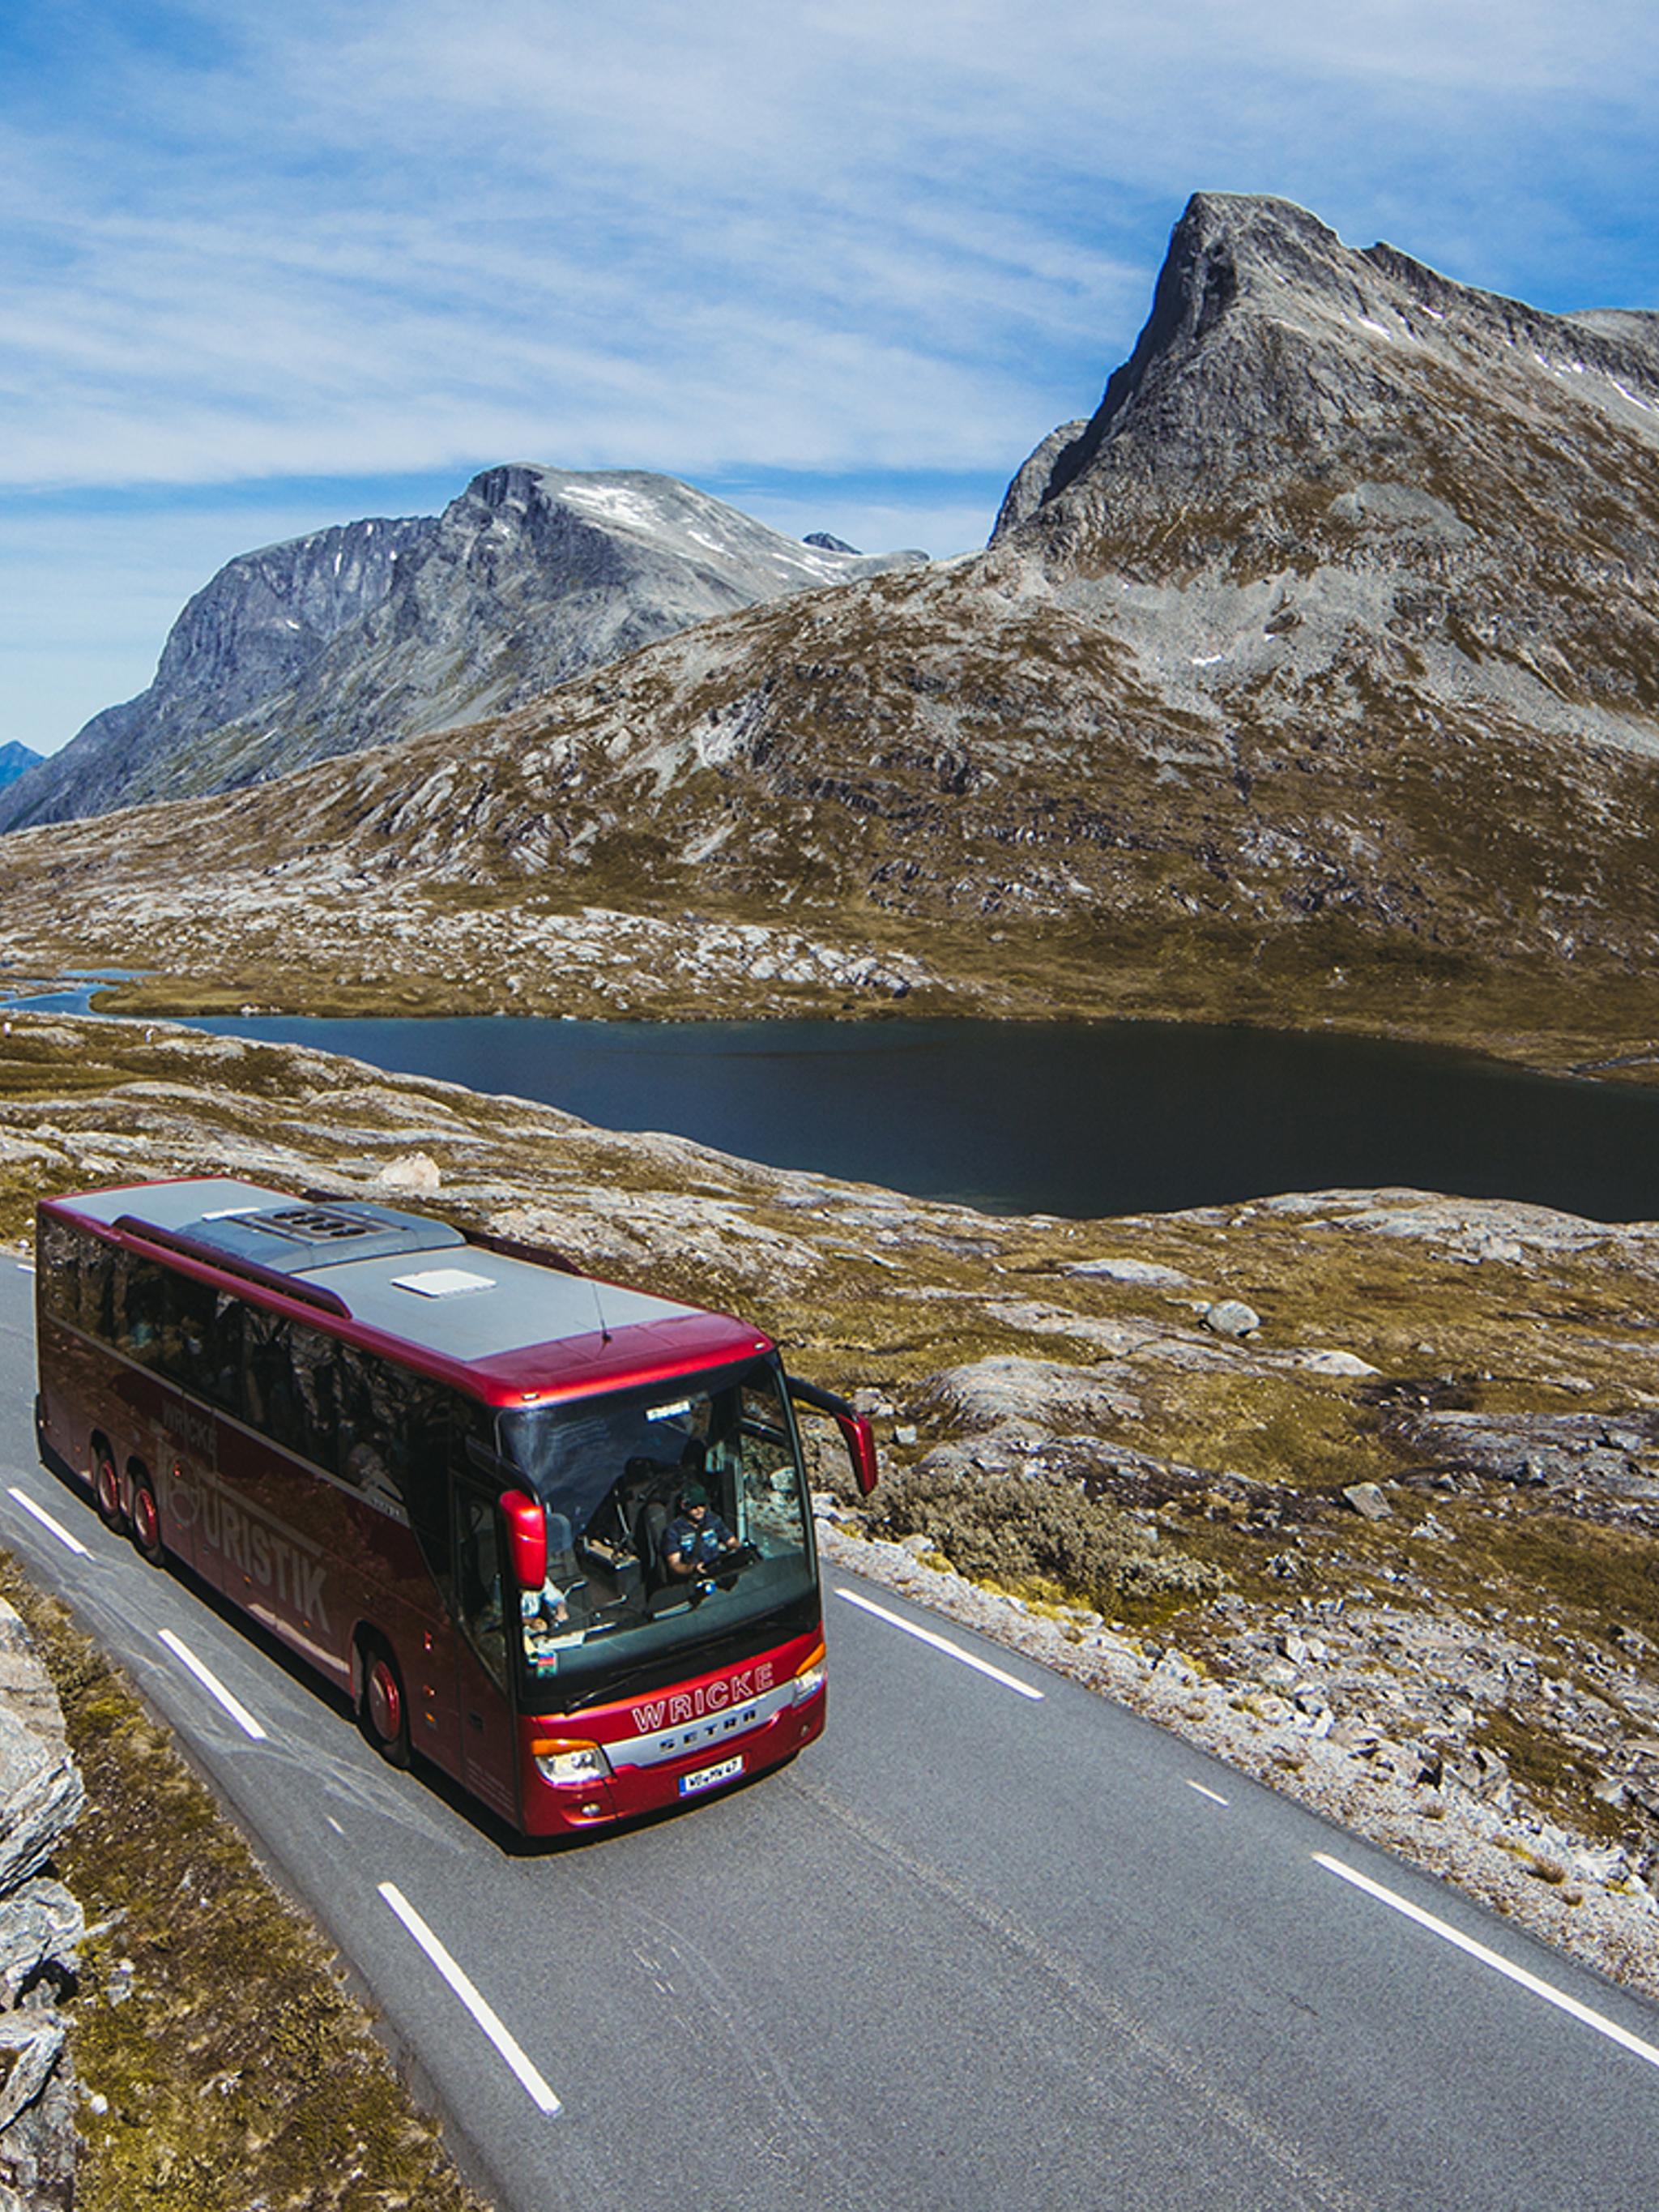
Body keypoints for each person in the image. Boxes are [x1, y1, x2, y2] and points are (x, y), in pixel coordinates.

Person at [662, 1481, 740, 1580]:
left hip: (717, 1572)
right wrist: (691, 1568)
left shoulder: (713, 1520)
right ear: (685, 1507)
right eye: (694, 1507)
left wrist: (737, 1551)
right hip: (693, 1578)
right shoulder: (675, 1529)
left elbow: (731, 1541)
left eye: (702, 1505)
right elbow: (674, 1564)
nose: (699, 1510)